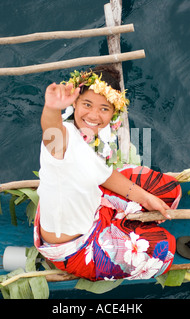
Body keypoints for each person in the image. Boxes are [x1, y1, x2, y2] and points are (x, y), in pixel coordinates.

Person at [34, 66, 181, 281]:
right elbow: (51, 130)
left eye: (104, 109)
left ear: (114, 112)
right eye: (87, 104)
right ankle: (122, 229)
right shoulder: (61, 143)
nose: (94, 115)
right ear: (74, 103)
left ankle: (123, 224)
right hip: (76, 246)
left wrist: (145, 197)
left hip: (93, 206)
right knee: (165, 250)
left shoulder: (95, 134)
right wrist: (51, 108)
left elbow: (104, 174)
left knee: (169, 190)